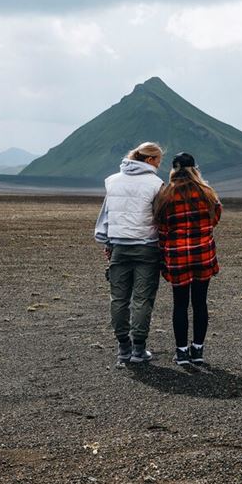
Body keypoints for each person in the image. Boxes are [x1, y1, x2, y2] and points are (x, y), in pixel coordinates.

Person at [94, 142, 165, 365]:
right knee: (142, 299)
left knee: (119, 299)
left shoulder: (113, 181)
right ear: (150, 160)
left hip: (119, 248)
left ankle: (123, 347)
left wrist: (107, 243)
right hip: (146, 248)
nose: (159, 165)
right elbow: (161, 218)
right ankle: (138, 349)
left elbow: (105, 216)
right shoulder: (157, 184)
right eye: (158, 161)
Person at [153, 152, 221, 365]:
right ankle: (198, 349)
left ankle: (182, 352)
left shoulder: (165, 194)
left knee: (180, 304)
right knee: (200, 302)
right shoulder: (207, 193)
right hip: (203, 254)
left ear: (174, 169)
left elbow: (161, 227)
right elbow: (215, 219)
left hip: (178, 256)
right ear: (195, 169)